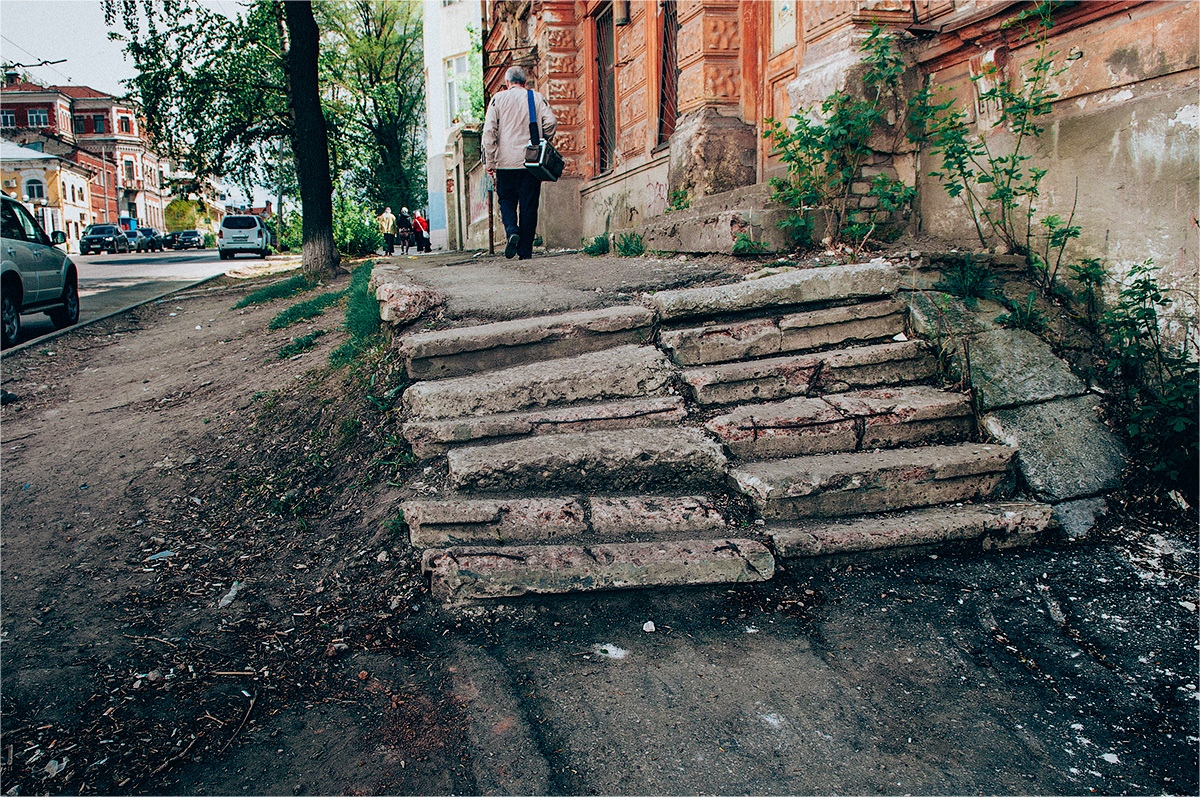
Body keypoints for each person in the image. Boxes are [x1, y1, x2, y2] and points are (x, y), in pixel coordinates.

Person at [483, 65, 557, 260]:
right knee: (529, 206)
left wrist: (489, 161)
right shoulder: (536, 98)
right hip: (531, 163)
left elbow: (489, 132)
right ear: (525, 82)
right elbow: (551, 123)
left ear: (507, 83)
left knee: (506, 200)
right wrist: (542, 139)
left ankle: (511, 230)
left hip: (505, 163)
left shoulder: (498, 99)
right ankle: (525, 251)